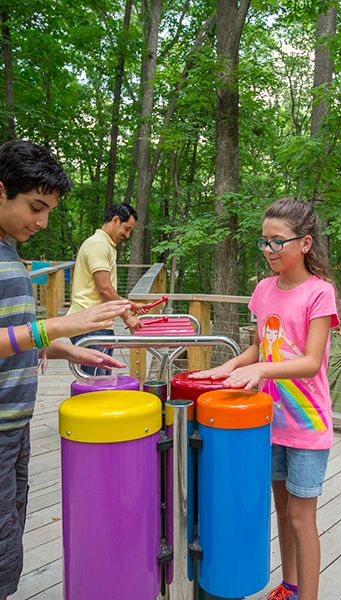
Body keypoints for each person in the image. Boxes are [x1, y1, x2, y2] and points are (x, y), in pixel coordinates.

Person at [0, 139, 131, 600]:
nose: (42, 222)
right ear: (1, 191)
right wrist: (56, 326)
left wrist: (67, 350)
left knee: (10, 533)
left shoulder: (10, 251)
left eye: (49, 210)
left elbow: (11, 335)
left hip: (15, 422)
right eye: (36, 207)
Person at [191, 198, 339, 600]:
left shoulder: (319, 294)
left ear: (305, 243)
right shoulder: (263, 290)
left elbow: (309, 362)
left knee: (300, 516)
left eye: (278, 242)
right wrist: (226, 368)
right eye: (264, 242)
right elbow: (261, 349)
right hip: (269, 422)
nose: (269, 251)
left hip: (308, 424)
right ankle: (289, 586)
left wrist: (260, 371)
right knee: (282, 510)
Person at [67, 203, 143, 375]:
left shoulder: (105, 245)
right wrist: (127, 316)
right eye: (127, 228)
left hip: (100, 322)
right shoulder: (98, 245)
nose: (127, 235)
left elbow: (105, 290)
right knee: (95, 385)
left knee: (101, 383)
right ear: (115, 220)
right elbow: (105, 289)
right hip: (89, 324)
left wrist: (128, 304)